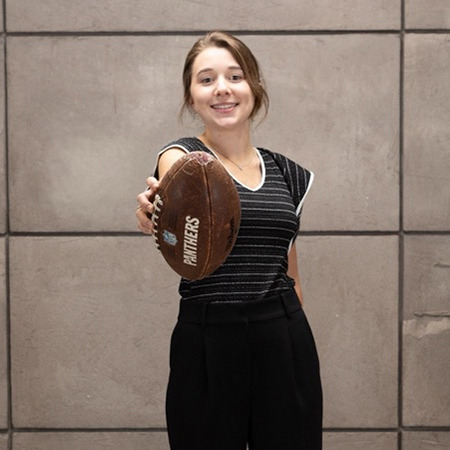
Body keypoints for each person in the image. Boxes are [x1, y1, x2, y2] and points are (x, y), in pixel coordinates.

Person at [136, 31, 322, 450]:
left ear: (254, 87)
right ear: (191, 97)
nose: (222, 88)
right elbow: (172, 187)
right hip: (208, 339)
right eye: (206, 79)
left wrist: (290, 339)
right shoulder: (183, 158)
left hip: (283, 335)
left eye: (235, 76)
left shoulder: (289, 174)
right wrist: (152, 209)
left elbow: (291, 273)